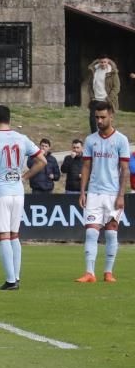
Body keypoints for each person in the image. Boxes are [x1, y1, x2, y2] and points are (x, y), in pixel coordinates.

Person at [0, 106, 45, 290]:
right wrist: (25, 177)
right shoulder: (22, 138)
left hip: (1, 191)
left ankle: (11, 281)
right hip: (18, 192)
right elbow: (42, 161)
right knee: (14, 235)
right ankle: (16, 277)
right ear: (9, 119)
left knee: (3, 235)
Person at [75, 101, 130, 283]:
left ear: (111, 116)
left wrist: (121, 195)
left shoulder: (121, 140)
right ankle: (90, 273)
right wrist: (83, 192)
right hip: (94, 193)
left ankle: (108, 272)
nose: (99, 120)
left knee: (111, 231)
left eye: (102, 117)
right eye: (96, 117)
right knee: (91, 232)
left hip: (113, 193)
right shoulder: (91, 140)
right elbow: (86, 166)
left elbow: (124, 169)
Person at [87, 56, 120, 134]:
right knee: (92, 120)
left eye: (105, 62)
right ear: (99, 62)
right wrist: (92, 97)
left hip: (106, 100)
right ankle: (95, 136)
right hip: (95, 99)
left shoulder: (112, 72)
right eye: (101, 62)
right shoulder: (94, 71)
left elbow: (116, 87)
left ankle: (107, 135)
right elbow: (89, 85)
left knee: (105, 120)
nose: (103, 64)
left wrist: (108, 99)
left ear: (108, 62)